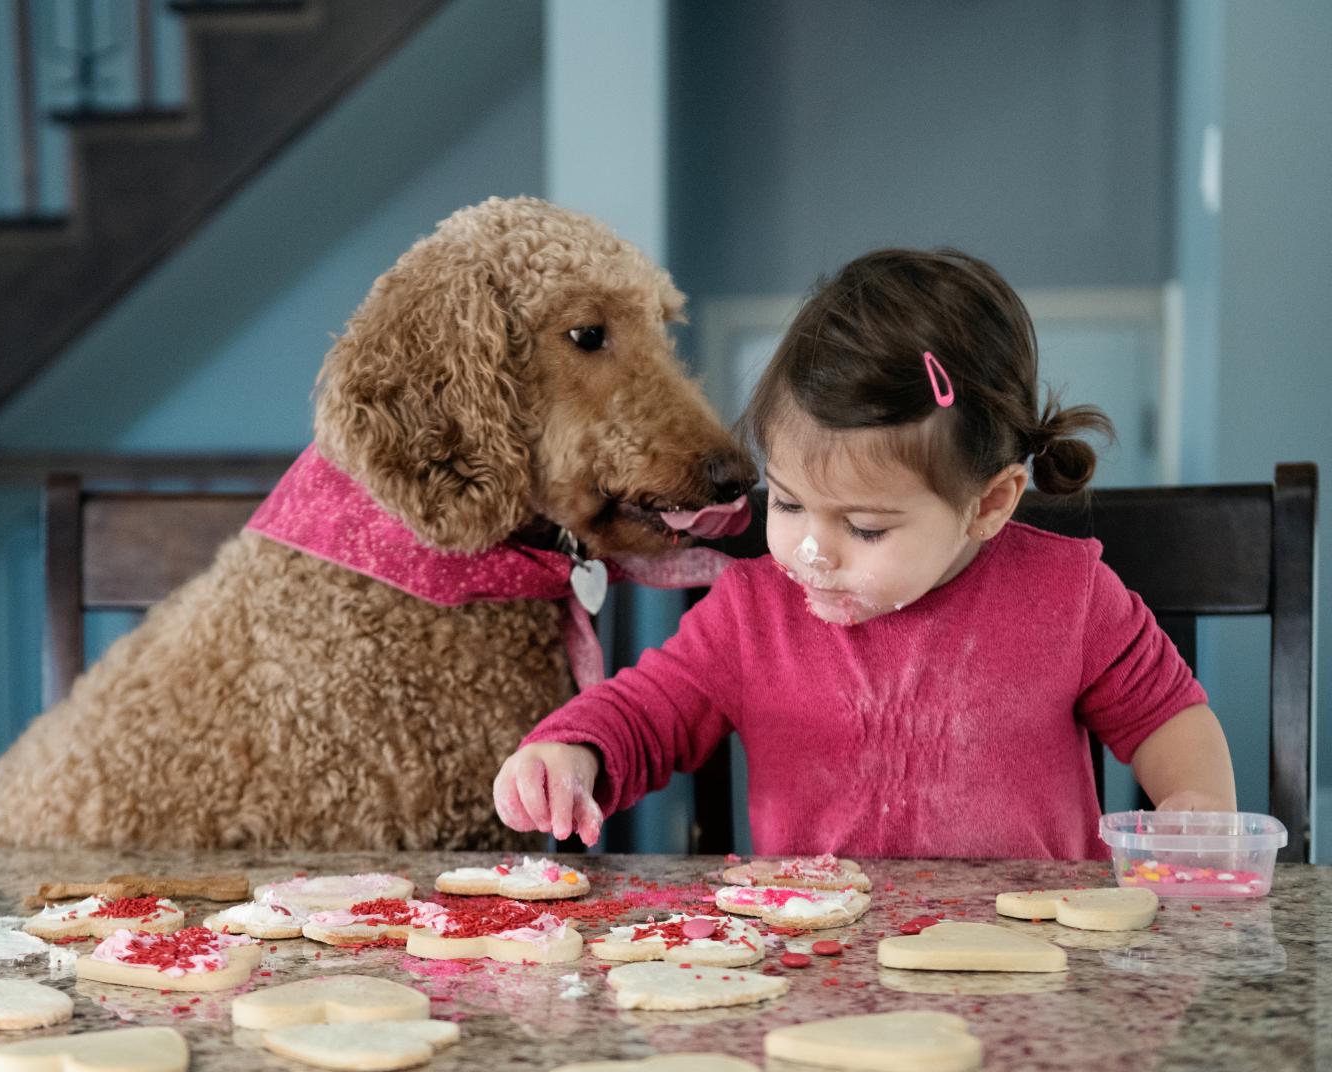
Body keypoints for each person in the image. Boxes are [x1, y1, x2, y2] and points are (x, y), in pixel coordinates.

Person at [492, 248, 1236, 860]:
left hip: (1031, 978)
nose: (812, 550)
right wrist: (572, 752)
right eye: (786, 504)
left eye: (867, 528)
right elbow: (647, 713)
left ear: (989, 503)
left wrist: (1194, 808)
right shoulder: (752, 614)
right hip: (820, 973)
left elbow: (1168, 718)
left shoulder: (1069, 596)